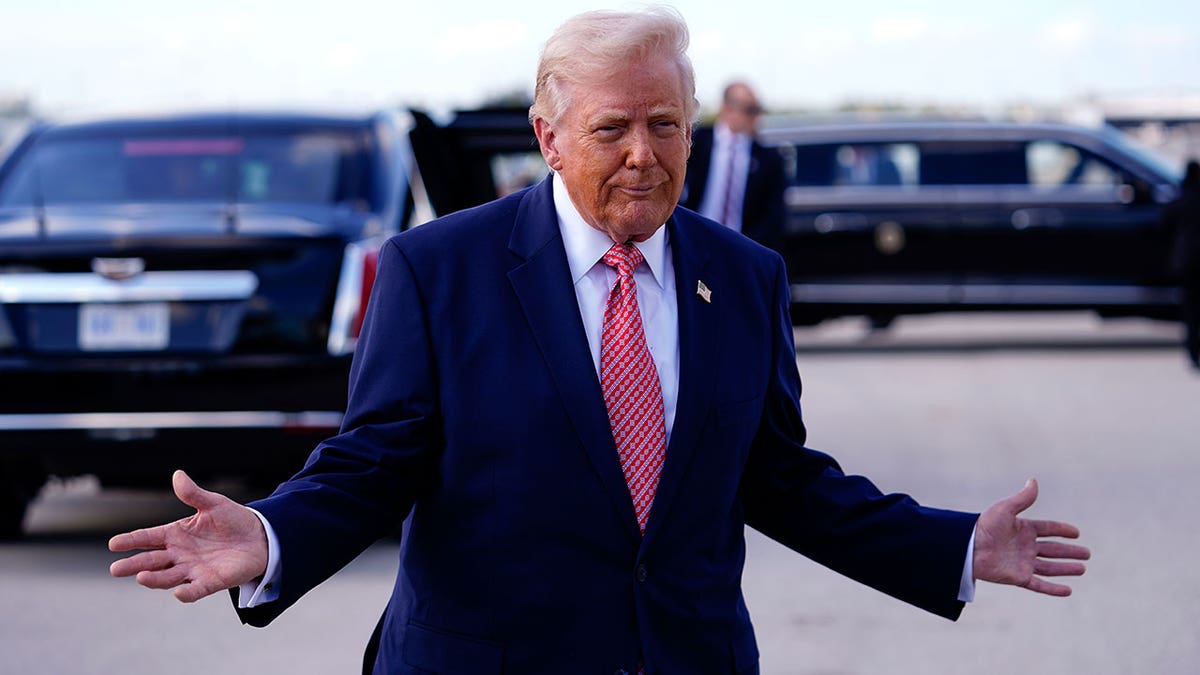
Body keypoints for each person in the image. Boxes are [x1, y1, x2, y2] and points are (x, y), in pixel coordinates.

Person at [109, 8, 1089, 674]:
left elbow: (781, 478)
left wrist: (952, 546)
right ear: (547, 135)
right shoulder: (438, 269)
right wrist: (275, 532)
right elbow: (375, 460)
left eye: (666, 125)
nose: (642, 154)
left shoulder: (745, 277)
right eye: (613, 127)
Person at [680, 80, 786, 251]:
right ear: (728, 109)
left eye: (758, 110)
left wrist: (747, 249)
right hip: (694, 241)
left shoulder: (768, 159)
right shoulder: (696, 143)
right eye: (750, 110)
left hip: (741, 247)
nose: (756, 117)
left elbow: (773, 216)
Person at [1162, 159, 1200, 369]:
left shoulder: (1180, 200)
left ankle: (1193, 350)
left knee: (1191, 308)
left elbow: (1164, 223)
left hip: (1187, 261)